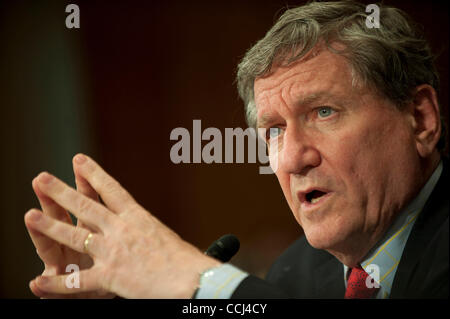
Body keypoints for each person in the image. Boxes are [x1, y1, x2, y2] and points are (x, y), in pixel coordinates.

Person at [24, 0, 448, 299]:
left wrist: (198, 281)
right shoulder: (293, 273)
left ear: (421, 119)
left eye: (324, 112)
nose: (292, 159)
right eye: (274, 130)